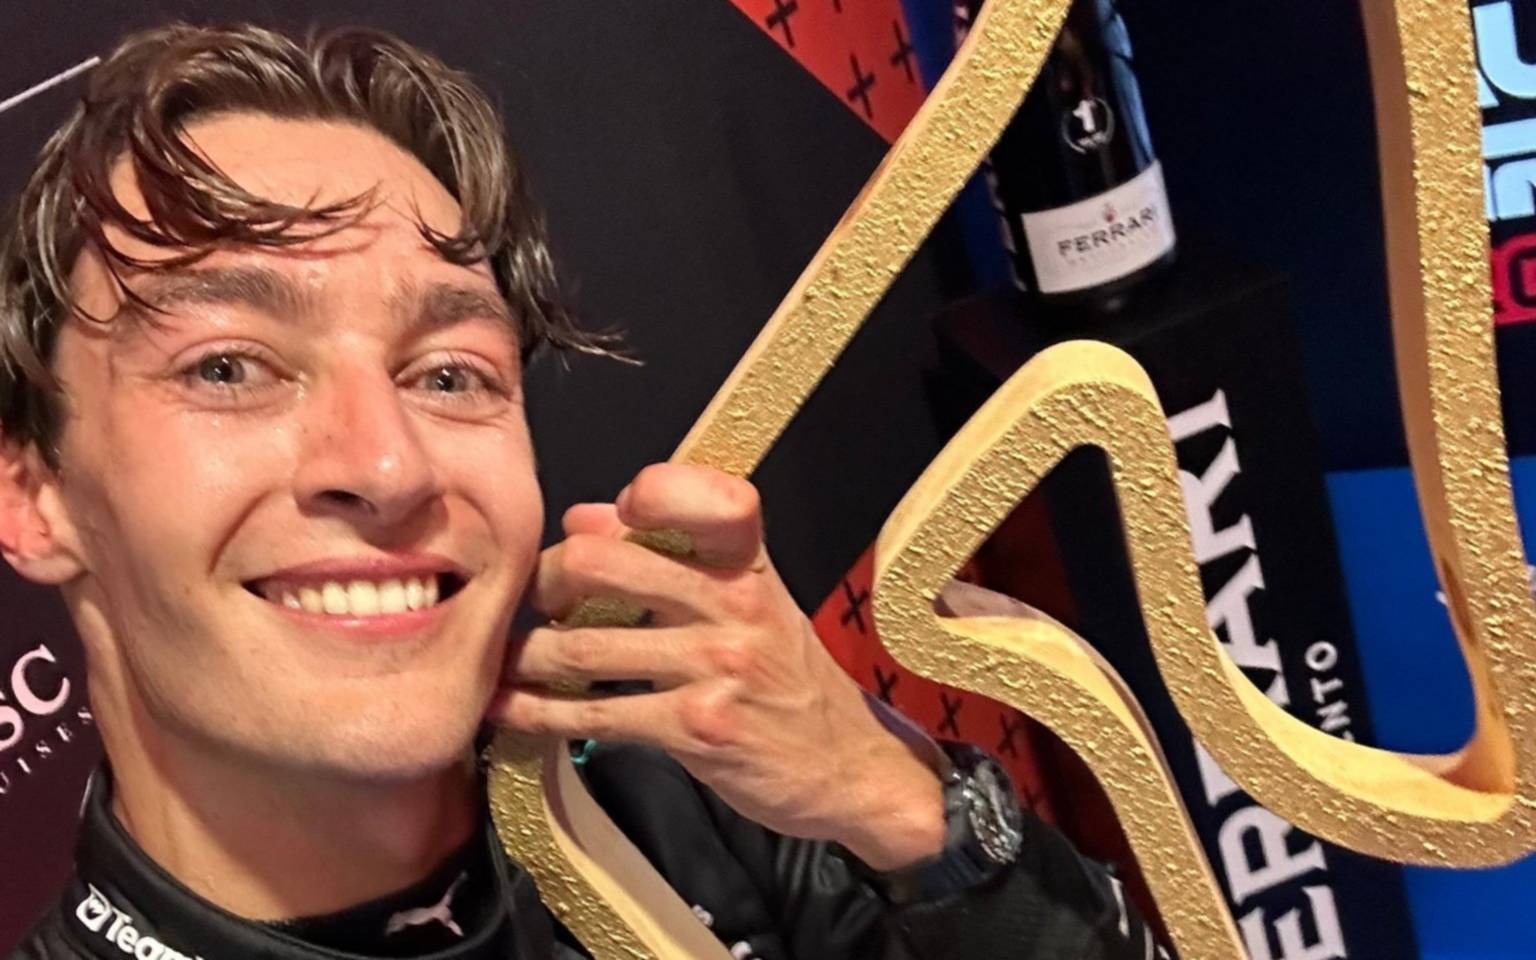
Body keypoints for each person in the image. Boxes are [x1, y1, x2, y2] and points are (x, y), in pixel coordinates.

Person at [0, 22, 1157, 960]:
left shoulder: (690, 796)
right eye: (227, 368)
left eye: (448, 374)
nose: (388, 465)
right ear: (31, 492)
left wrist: (903, 808)